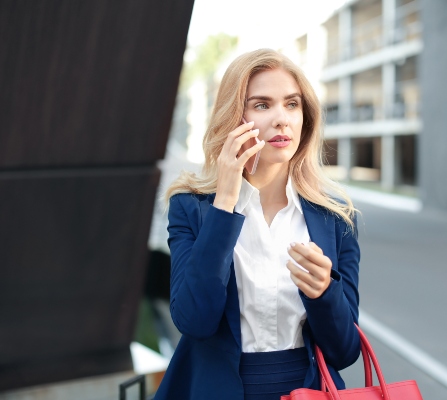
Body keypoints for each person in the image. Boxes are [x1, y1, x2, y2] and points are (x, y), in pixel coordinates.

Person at [155, 49, 361, 400]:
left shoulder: (336, 216)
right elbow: (194, 321)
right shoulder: (190, 207)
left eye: (292, 104)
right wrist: (225, 203)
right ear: (234, 118)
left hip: (306, 391)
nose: (281, 119)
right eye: (262, 105)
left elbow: (345, 351)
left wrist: (324, 292)